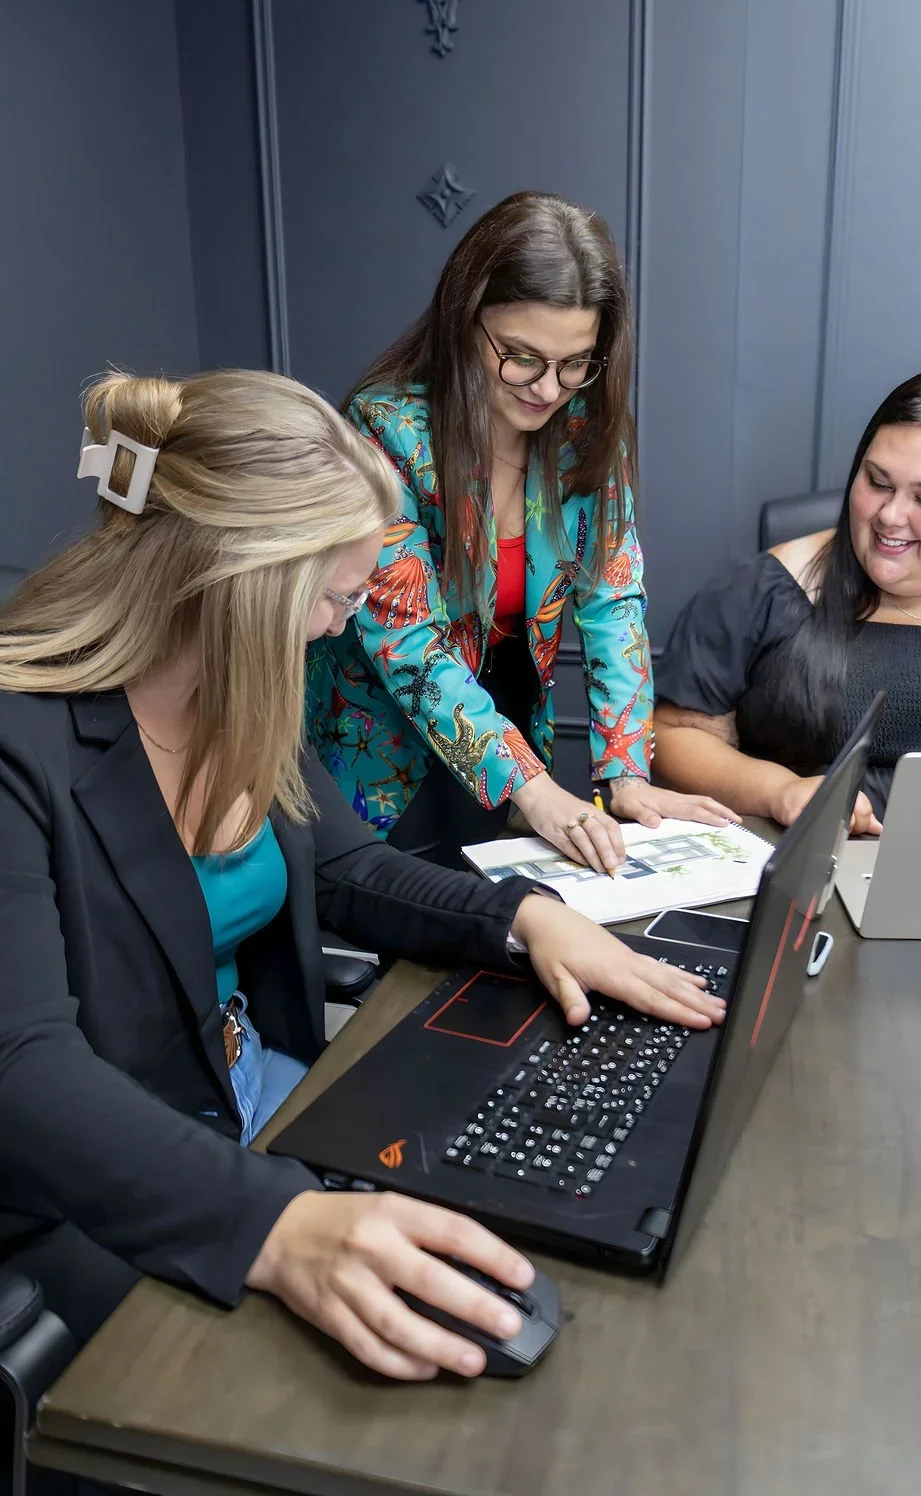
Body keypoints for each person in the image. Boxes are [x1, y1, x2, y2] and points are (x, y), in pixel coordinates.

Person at [0, 369, 727, 1381]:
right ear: (245, 585)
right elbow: (23, 1071)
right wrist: (279, 1224)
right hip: (93, 1179)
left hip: (243, 1089)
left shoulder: (236, 691)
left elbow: (347, 871)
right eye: (338, 597)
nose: (345, 627)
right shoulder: (19, 744)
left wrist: (524, 919)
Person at [306, 191, 735, 872]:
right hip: (383, 744)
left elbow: (611, 599)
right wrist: (533, 787)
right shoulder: (386, 428)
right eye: (522, 356)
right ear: (465, 318)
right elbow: (407, 643)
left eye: (575, 363)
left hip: (504, 722)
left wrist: (625, 776)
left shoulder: (585, 430)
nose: (548, 388)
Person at [653, 364, 921, 827]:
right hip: (808, 875)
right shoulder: (770, 588)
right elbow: (670, 737)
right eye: (877, 482)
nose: (890, 515)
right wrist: (779, 792)